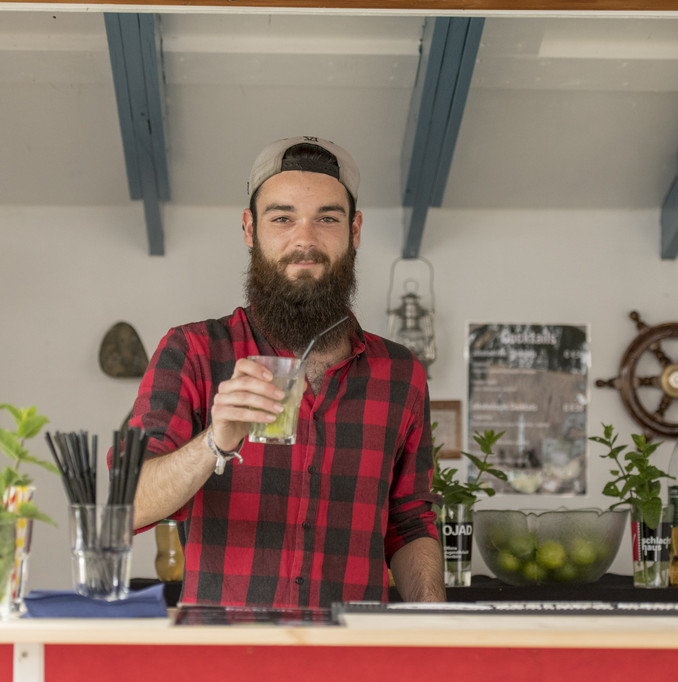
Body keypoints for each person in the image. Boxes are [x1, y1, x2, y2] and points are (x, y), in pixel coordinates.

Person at [127, 136, 445, 608]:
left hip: (354, 659)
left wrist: (432, 632)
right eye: (282, 218)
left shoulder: (401, 374)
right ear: (249, 228)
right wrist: (214, 441)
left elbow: (410, 521)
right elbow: (126, 506)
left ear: (354, 230)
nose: (305, 239)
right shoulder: (193, 351)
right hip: (227, 660)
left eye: (328, 218)